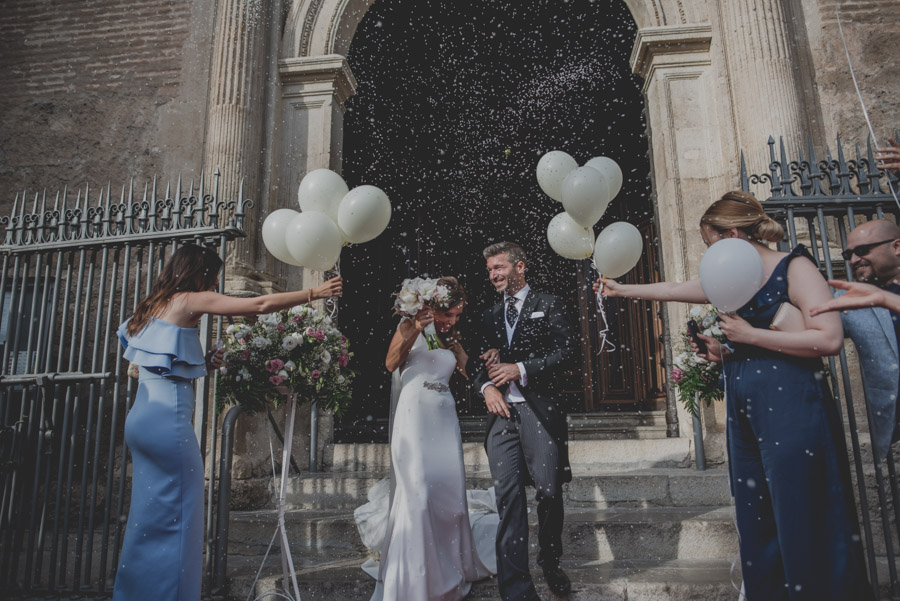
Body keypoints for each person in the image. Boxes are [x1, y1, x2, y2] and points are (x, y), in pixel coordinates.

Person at [592, 191, 870, 601]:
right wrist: (623, 291)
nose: (710, 256)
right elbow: (679, 288)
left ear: (735, 233)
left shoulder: (795, 266)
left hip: (792, 399)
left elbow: (829, 338)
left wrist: (749, 335)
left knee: (799, 504)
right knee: (756, 511)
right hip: (744, 397)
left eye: (711, 243)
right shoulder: (730, 276)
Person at [113, 244, 342, 601]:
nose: (216, 282)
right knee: (181, 517)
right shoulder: (188, 299)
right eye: (214, 276)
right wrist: (315, 292)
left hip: (141, 422)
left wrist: (204, 363)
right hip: (167, 425)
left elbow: (146, 367)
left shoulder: (149, 307)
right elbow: (258, 305)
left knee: (148, 516)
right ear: (198, 274)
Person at [368, 276, 494, 601]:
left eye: (457, 315)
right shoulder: (409, 325)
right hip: (415, 418)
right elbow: (390, 363)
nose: (453, 321)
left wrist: (482, 362)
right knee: (419, 493)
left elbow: (467, 371)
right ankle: (417, 579)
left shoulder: (450, 335)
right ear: (434, 307)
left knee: (448, 497)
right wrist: (414, 330)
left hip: (444, 418)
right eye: (449, 314)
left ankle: (450, 567)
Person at [472, 241, 575, 600]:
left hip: (539, 411)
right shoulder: (488, 315)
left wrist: (521, 368)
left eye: (499, 267)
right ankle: (516, 587)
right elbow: (474, 363)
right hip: (501, 416)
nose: (493, 275)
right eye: (489, 270)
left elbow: (567, 351)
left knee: (548, 490)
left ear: (520, 267)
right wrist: (486, 387)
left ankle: (550, 559)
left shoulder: (549, 304)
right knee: (508, 497)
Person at [808, 219, 900, 462]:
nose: (853, 260)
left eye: (862, 251)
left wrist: (883, 299)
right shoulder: (851, 299)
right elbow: (814, 330)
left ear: (897, 246)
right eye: (849, 254)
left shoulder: (872, 296)